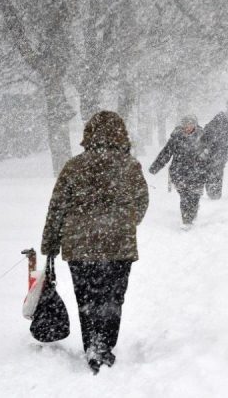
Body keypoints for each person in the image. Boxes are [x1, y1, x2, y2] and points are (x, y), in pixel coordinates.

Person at [41, 110, 149, 374]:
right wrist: (124, 224)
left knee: (87, 298)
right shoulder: (129, 166)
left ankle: (92, 343)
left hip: (80, 247)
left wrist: (51, 244)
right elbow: (142, 201)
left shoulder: (73, 166)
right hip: (118, 247)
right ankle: (104, 344)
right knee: (113, 298)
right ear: (121, 134)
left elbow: (57, 207)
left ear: (88, 135)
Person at [149, 115, 207, 229]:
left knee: (194, 196)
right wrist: (155, 167)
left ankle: (193, 212)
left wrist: (208, 168)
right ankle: (186, 221)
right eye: (186, 124)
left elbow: (209, 154)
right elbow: (166, 153)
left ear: (195, 125)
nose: (188, 127)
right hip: (179, 172)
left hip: (197, 173)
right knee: (185, 197)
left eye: (190, 124)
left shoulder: (202, 137)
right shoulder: (176, 138)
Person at [200, 111, 228, 200]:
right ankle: (217, 192)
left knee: (209, 172)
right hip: (222, 155)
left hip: (210, 154)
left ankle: (211, 190)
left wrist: (204, 149)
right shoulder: (227, 127)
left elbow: (202, 139)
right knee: (219, 174)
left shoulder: (210, 126)